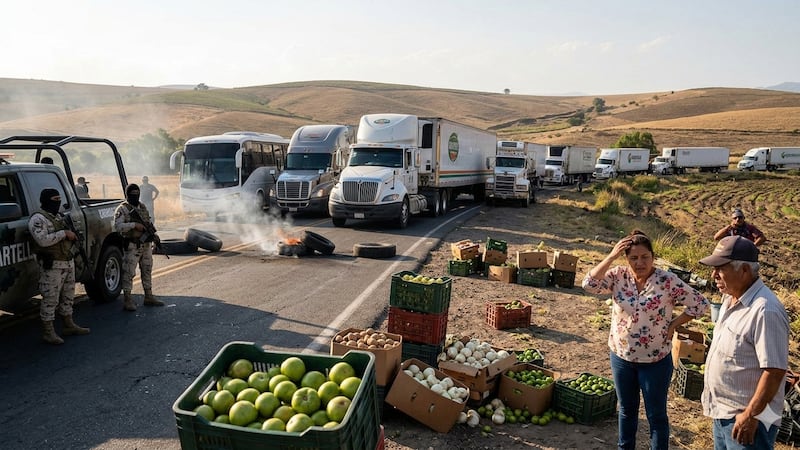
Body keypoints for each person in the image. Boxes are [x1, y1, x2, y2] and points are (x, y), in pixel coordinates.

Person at [582, 230, 709, 450]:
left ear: (653, 256)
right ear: (626, 258)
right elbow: (589, 284)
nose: (640, 262)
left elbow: (700, 304)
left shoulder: (667, 281)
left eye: (645, 257)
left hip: (655, 361)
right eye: (633, 258)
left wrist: (673, 324)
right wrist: (611, 256)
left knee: (656, 415)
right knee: (627, 410)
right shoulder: (618, 276)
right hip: (622, 357)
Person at [699, 235, 789, 449]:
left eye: (721, 268)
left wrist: (750, 414)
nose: (714, 276)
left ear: (745, 270)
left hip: (748, 421)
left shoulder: (765, 310)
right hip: (724, 412)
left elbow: (774, 371)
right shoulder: (731, 298)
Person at [28, 188, 90, 344]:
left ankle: (68, 324)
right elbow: (42, 240)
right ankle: (48, 332)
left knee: (69, 295)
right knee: (51, 298)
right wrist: (63, 234)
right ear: (45, 201)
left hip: (67, 261)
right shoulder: (38, 219)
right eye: (54, 200)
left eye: (59, 199)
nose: (58, 203)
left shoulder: (60, 217)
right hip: (52, 265)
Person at [114, 183, 164, 311]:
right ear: (127, 195)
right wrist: (134, 225)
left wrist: (154, 236)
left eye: (137, 194)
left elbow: (148, 223)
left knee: (147, 269)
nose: (135, 196)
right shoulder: (122, 209)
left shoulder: (142, 207)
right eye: (133, 194)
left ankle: (148, 296)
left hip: (146, 244)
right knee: (129, 272)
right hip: (132, 245)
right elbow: (118, 227)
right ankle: (127, 300)